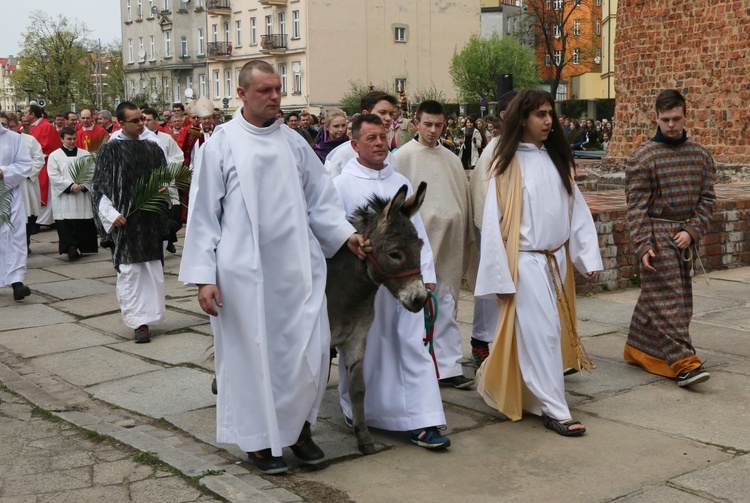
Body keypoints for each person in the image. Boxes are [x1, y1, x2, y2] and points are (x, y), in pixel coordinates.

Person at [179, 60, 368, 475]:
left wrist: (344, 234)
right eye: (265, 90)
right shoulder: (221, 144)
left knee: (306, 351)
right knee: (253, 355)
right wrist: (203, 278)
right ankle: (260, 442)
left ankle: (297, 429)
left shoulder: (294, 142)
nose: (275, 97)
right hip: (243, 274)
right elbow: (203, 214)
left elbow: (321, 200)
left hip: (297, 268)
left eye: (278, 89)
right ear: (242, 94)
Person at [474, 89, 602, 436]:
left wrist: (585, 256)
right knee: (542, 333)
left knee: (547, 334)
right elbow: (492, 224)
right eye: (540, 115)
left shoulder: (557, 159)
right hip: (526, 262)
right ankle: (557, 410)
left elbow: (577, 212)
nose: (548, 121)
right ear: (522, 119)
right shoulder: (506, 163)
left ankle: (534, 397)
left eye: (550, 114)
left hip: (556, 260)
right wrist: (499, 278)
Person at [334, 113, 451, 449]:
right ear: (354, 144)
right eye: (370, 138)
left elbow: (417, 236)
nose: (379, 143)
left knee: (414, 345)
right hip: (364, 290)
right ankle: (357, 410)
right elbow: (331, 230)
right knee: (364, 351)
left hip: (404, 283)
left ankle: (422, 420)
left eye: (383, 137)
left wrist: (426, 276)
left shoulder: (401, 182)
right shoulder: (342, 184)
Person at [624, 89, 716, 387]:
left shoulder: (701, 155)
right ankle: (683, 361)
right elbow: (636, 208)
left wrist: (692, 231)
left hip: (685, 238)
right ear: (656, 118)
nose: (671, 125)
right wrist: (643, 246)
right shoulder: (643, 156)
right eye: (666, 119)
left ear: (686, 116)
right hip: (657, 235)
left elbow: (707, 199)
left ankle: (639, 348)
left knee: (672, 298)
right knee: (669, 301)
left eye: (676, 118)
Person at [395, 100, 474, 389]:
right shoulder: (402, 157)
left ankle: (450, 367)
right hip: (418, 247)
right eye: (427, 124)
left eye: (438, 125)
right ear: (416, 123)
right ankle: (418, 366)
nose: (433, 130)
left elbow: (460, 198)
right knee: (417, 307)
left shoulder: (452, 158)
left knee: (448, 302)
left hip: (450, 243)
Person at [92, 102, 168, 344]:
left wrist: (163, 189)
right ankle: (138, 322)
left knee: (153, 271)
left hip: (149, 220)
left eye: (143, 119)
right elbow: (100, 188)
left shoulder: (153, 148)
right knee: (131, 272)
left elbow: (163, 178)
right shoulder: (110, 150)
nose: (141, 124)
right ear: (121, 123)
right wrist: (111, 214)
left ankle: (152, 316)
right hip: (126, 221)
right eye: (135, 121)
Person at [467, 91, 516, 368]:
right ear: (505, 116)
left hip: (520, 235)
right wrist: (495, 230)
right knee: (491, 287)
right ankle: (480, 340)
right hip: (495, 232)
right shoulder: (495, 148)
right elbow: (484, 192)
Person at [47, 127, 98, 261]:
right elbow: (53, 175)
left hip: (81, 194)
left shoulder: (85, 154)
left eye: (74, 138)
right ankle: (70, 247)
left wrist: (81, 185)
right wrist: (70, 186)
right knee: (66, 222)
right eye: (69, 139)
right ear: (62, 139)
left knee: (82, 221)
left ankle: (83, 247)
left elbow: (92, 172)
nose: (72, 141)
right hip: (64, 196)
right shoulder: (55, 156)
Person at [325, 91, 399, 177]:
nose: (388, 118)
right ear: (365, 114)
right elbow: (330, 188)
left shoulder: (390, 158)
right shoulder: (340, 155)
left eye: (391, 114)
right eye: (382, 112)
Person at [143, 107, 184, 254]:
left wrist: (163, 170)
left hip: (164, 182)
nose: (145, 123)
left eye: (148, 120)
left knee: (170, 217)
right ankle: (163, 242)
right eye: (143, 120)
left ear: (156, 120)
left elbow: (178, 157)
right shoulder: (138, 139)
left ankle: (168, 239)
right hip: (145, 186)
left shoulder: (165, 138)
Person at [0, 120, 33, 300]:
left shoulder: (13, 138)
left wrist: (3, 172)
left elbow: (25, 164)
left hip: (9, 195)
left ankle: (17, 282)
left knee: (13, 237)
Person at [1, 113, 44, 249]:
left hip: (27, 183)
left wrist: (22, 173)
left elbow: (38, 159)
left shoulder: (29, 140)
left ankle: (25, 241)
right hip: (6, 185)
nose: (7, 129)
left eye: (9, 126)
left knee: (29, 213)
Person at [25, 104, 62, 229]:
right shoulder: (32, 127)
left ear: (32, 114)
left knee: (44, 190)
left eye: (26, 113)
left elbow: (49, 145)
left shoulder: (46, 126)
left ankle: (45, 220)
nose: (24, 115)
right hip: (33, 163)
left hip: (44, 163)